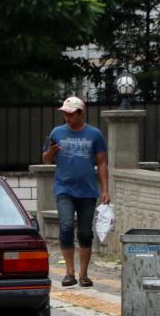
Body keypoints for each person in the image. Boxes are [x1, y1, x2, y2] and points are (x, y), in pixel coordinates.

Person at [42, 96, 110, 288]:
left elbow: (102, 162)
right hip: (64, 188)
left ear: (81, 113)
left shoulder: (94, 135)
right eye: (65, 114)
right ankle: (69, 272)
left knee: (86, 233)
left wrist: (105, 189)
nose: (67, 117)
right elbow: (46, 160)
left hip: (87, 191)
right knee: (65, 227)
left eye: (71, 114)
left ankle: (84, 274)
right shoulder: (57, 132)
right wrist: (51, 152)